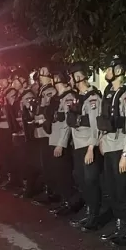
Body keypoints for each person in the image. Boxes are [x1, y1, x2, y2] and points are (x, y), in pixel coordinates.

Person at [95, 55, 126, 245]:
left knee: (123, 190)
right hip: (109, 146)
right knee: (112, 189)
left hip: (121, 148)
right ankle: (119, 226)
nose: (107, 72)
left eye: (110, 69)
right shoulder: (108, 93)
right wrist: (102, 140)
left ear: (119, 71)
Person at [66, 63, 103, 230]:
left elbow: (96, 125)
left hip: (88, 145)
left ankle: (94, 217)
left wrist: (91, 148)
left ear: (78, 77)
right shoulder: (79, 96)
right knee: (81, 180)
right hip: (78, 145)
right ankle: (89, 212)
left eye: (72, 76)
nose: (70, 80)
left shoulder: (92, 97)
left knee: (90, 182)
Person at [47, 67, 82, 217]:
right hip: (54, 138)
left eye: (54, 78)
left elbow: (68, 122)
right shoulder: (58, 97)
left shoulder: (68, 97)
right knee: (58, 174)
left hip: (62, 142)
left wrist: (61, 143)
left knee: (64, 174)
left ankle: (72, 202)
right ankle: (65, 200)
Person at [31, 65, 60, 205]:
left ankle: (53, 193)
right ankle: (49, 190)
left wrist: (38, 118)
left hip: (47, 132)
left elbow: (47, 110)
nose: (40, 78)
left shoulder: (50, 91)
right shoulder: (41, 90)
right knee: (45, 163)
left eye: (42, 75)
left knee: (50, 164)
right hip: (41, 131)